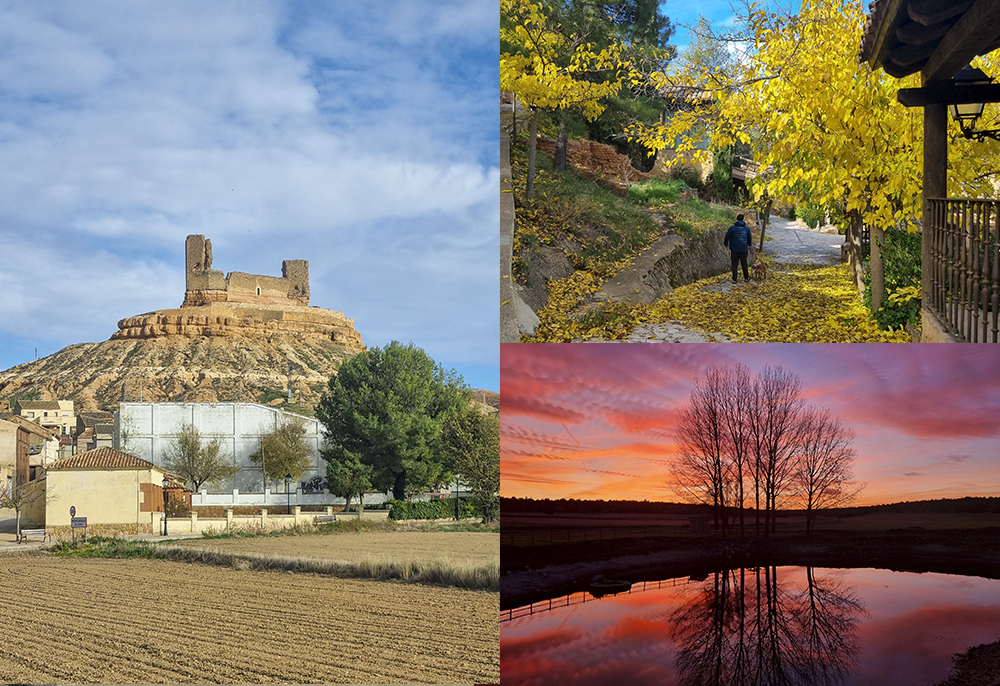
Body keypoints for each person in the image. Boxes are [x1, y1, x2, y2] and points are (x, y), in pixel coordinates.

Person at [724, 214, 754, 283]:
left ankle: (734, 279)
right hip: (743, 249)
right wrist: (749, 244)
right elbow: (749, 238)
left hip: (734, 249)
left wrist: (725, 244)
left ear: (737, 219)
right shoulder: (747, 229)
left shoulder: (732, 228)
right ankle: (746, 277)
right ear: (743, 219)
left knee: (734, 264)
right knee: (744, 263)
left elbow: (727, 237)